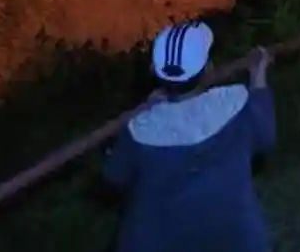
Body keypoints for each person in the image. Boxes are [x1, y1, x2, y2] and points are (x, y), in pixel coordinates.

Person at [101, 20, 277, 252]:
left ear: (155, 72)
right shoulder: (236, 102)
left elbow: (114, 177)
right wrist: (259, 73)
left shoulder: (140, 128)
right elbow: (266, 137)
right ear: (208, 68)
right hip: (236, 241)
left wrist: (147, 108)